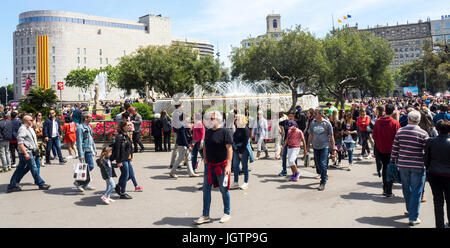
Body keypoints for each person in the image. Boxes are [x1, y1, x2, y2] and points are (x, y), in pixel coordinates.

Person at [391, 110, 429, 226]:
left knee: (406, 189)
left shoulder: (400, 131)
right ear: (419, 120)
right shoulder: (423, 134)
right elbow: (426, 152)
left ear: (408, 119)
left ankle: (409, 210)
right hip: (418, 165)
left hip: (403, 164)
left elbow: (395, 148)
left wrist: (392, 161)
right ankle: (413, 217)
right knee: (417, 190)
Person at [195, 111, 233, 225]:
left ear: (218, 120)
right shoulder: (208, 132)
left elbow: (229, 149)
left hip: (221, 166)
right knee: (206, 189)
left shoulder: (225, 131)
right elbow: (206, 145)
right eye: (209, 119)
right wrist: (205, 158)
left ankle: (227, 213)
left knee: (223, 189)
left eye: (212, 119)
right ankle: (205, 215)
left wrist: (228, 165)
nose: (210, 121)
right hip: (209, 166)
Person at [6, 115, 51, 193]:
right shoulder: (22, 129)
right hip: (26, 152)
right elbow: (20, 143)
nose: (32, 121)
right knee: (33, 167)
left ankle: (12, 185)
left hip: (30, 151)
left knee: (21, 168)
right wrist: (25, 153)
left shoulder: (29, 128)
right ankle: (40, 183)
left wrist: (35, 146)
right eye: (31, 120)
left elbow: (31, 140)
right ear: (26, 121)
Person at [424, 120, 450, 228]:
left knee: (438, 201)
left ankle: (439, 224)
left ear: (437, 130)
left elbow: (426, 158)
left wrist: (429, 169)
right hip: (447, 174)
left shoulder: (430, 141)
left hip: (434, 173)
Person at [373, 104, 401, 197]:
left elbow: (374, 136)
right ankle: (388, 190)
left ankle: (386, 189)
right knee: (390, 168)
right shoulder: (395, 123)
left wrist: (380, 144)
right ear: (393, 111)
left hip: (381, 149)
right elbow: (398, 138)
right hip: (391, 150)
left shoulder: (377, 121)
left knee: (385, 168)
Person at [307, 108, 336, 191]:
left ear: (320, 114)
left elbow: (332, 137)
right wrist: (308, 146)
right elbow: (310, 134)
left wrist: (333, 150)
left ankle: (322, 182)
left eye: (315, 113)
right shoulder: (313, 123)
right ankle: (323, 174)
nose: (313, 115)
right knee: (318, 164)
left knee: (323, 163)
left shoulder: (327, 124)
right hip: (315, 147)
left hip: (325, 146)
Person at [74, 112, 97, 192]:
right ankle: (78, 182)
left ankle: (84, 184)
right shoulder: (80, 128)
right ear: (86, 118)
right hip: (84, 150)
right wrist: (80, 154)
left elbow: (91, 138)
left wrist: (94, 149)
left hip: (89, 149)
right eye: (90, 117)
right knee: (86, 167)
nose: (91, 118)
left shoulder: (88, 126)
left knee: (90, 166)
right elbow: (79, 142)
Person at [231, 114, 251, 189]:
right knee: (235, 166)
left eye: (236, 119)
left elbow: (246, 141)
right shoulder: (237, 128)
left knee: (244, 166)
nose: (235, 120)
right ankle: (236, 182)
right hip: (236, 149)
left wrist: (241, 152)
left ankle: (246, 182)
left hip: (243, 150)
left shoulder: (245, 129)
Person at [278, 111, 296, 176]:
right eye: (289, 116)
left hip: (293, 142)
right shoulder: (285, 122)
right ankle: (284, 170)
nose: (290, 117)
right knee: (284, 156)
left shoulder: (295, 123)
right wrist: (279, 129)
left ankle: (294, 172)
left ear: (294, 117)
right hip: (286, 141)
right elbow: (277, 123)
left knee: (293, 158)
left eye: (291, 116)